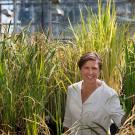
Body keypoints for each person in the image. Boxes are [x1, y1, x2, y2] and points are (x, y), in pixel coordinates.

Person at [63, 52, 125, 135]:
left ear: (99, 71)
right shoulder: (72, 89)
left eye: (94, 68)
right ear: (80, 69)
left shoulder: (109, 95)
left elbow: (122, 123)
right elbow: (68, 121)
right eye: (86, 68)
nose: (90, 72)